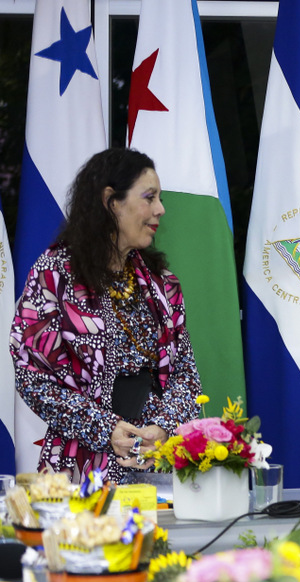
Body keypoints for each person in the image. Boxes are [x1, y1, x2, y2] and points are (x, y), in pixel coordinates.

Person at [10, 148, 201, 482]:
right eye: (149, 198)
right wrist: (105, 428)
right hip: (78, 469)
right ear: (111, 202)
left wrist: (161, 428)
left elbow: (186, 375)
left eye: (159, 199)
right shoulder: (55, 273)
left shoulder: (162, 284)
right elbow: (32, 377)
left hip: (154, 466)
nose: (160, 209)